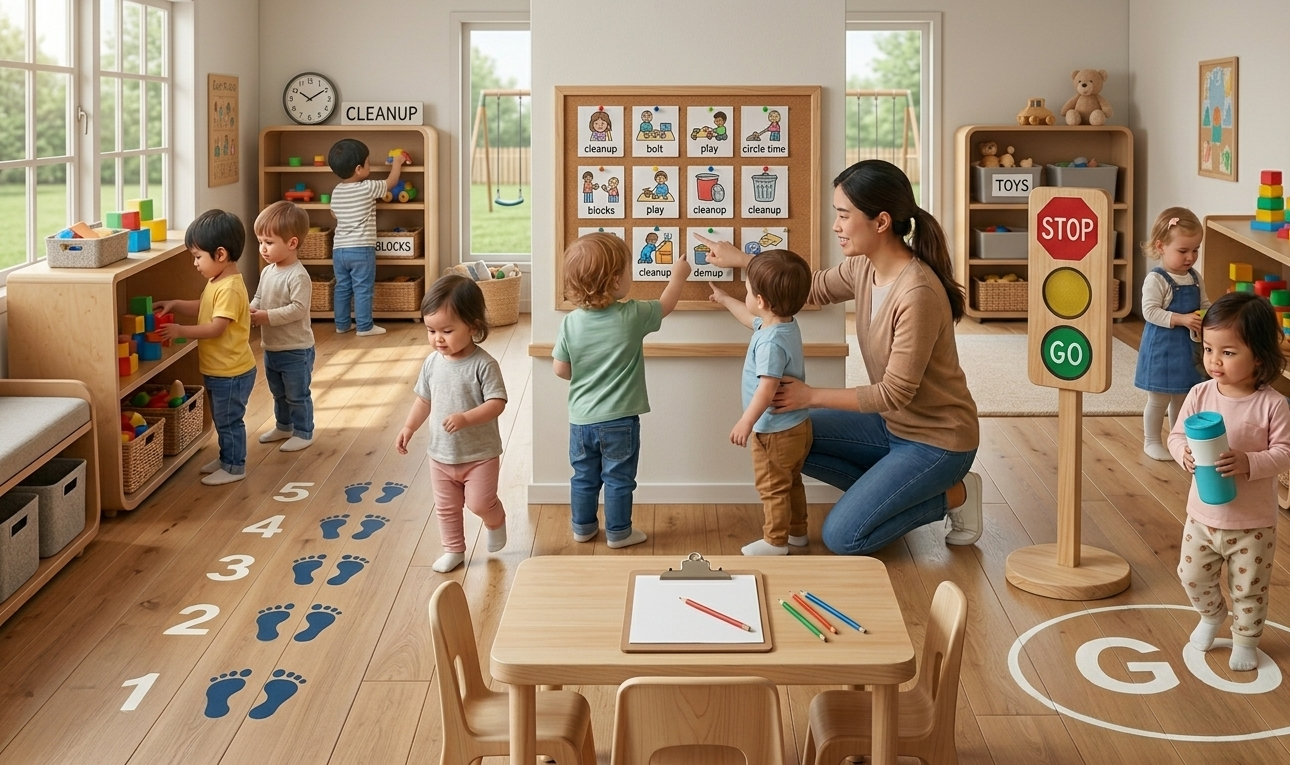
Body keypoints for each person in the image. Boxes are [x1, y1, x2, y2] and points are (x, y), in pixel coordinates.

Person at [699, 159, 982, 555]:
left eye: (844, 215)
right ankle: (892, 491)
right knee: (788, 436)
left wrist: (810, 395)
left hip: (937, 441)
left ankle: (954, 494)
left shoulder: (917, 294)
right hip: (890, 428)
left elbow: (893, 394)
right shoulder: (863, 267)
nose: (836, 225)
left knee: (843, 537)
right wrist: (747, 263)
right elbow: (808, 289)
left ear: (880, 222)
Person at [1168, 292, 1290, 671]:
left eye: (1228, 352)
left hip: (1252, 523)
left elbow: (1284, 452)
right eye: (1208, 349)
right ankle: (1211, 615)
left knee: (1249, 589)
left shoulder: (1272, 404)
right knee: (1190, 575)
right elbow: (1176, 436)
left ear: (1259, 355)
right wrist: (1183, 454)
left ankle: (1246, 640)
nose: (1214, 361)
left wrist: (1248, 462)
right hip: (1202, 516)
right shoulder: (1199, 394)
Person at [553, 232, 691, 547]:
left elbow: (561, 369)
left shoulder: (570, 323)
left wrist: (587, 373)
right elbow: (666, 305)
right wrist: (678, 276)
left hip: (581, 421)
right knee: (618, 479)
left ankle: (582, 528)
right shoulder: (632, 315)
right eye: (629, 271)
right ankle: (618, 533)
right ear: (616, 281)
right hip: (619, 422)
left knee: (584, 478)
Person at [395, 275, 508, 573]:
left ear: (472, 326)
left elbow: (497, 403)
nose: (438, 339)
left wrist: (466, 418)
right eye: (431, 330)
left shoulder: (484, 364)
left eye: (447, 330)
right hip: (441, 454)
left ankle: (496, 519)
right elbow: (424, 400)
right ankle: (454, 549)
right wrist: (409, 427)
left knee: (479, 503)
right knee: (446, 509)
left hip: (479, 454)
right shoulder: (432, 363)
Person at [709, 250, 813, 555]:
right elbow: (749, 317)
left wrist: (746, 421)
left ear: (763, 301)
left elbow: (767, 389)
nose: (747, 294)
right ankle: (798, 532)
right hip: (797, 426)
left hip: (774, 432)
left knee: (772, 488)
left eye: (748, 291)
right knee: (792, 482)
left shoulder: (770, 342)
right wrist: (726, 299)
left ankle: (775, 541)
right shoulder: (783, 325)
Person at [155, 210, 256, 486]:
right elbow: (203, 307)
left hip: (232, 372)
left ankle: (235, 466)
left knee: (229, 421)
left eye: (198, 256)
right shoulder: (216, 282)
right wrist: (176, 304)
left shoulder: (231, 288)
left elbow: (216, 327)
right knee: (221, 419)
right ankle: (226, 459)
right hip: (218, 370)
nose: (195, 263)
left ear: (220, 254)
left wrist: (180, 331)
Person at [1136, 207, 1209, 460]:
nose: (1190, 257)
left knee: (1184, 397)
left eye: (1195, 250)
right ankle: (1151, 440)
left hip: (1188, 348)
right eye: (1183, 251)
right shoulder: (1157, 279)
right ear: (1161, 246)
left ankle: (1178, 440)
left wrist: (1211, 316)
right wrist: (1181, 319)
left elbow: (1205, 304)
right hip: (1163, 348)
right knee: (1159, 398)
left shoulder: (1195, 277)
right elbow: (1150, 311)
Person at [250, 200, 315, 452]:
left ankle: (304, 431)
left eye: (269, 242)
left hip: (296, 349)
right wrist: (251, 308)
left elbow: (298, 310)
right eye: (260, 242)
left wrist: (266, 316)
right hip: (272, 347)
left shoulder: (298, 276)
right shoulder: (268, 272)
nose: (263, 248)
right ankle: (284, 425)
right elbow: (259, 297)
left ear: (292, 243)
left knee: (297, 395)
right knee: (278, 393)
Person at [327, 137, 405, 336]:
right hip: (361, 249)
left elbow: (334, 213)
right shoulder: (368, 187)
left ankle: (342, 324)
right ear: (359, 169)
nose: (370, 165)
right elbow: (391, 182)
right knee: (362, 288)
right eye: (368, 162)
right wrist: (397, 163)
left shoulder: (336, 191)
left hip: (339, 250)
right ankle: (364, 326)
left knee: (342, 287)